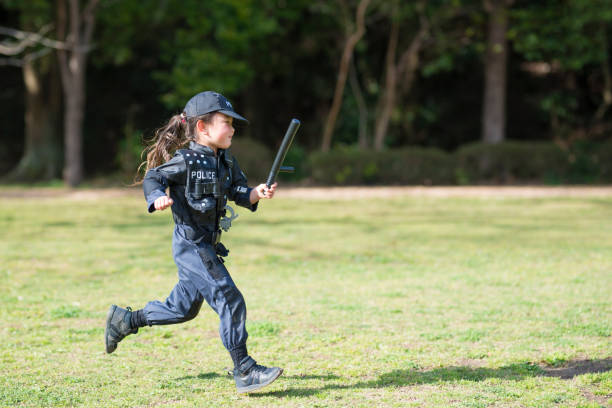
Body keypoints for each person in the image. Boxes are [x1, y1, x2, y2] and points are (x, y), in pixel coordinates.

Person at [104, 91, 282, 393]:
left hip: (207, 246)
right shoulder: (186, 160)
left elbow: (239, 191)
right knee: (230, 298)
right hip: (192, 246)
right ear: (202, 127)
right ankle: (245, 369)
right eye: (226, 122)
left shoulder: (226, 160)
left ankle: (125, 321)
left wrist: (256, 193)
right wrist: (158, 197)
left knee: (182, 309)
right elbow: (153, 178)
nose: (232, 128)